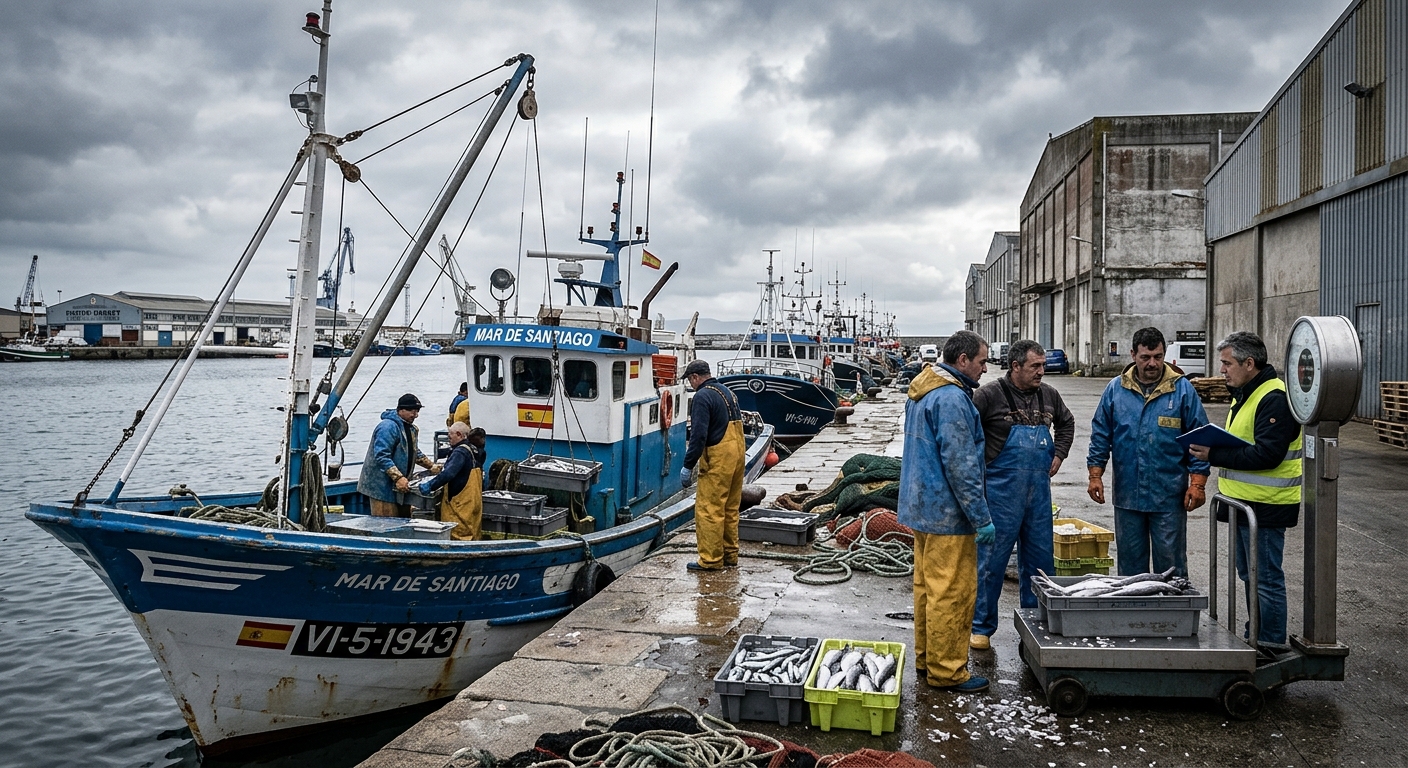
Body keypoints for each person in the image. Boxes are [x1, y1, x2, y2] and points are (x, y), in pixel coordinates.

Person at [897, 330, 996, 693]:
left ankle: (927, 658)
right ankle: (948, 670)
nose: (986, 369)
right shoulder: (952, 399)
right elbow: (962, 465)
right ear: (963, 360)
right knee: (951, 593)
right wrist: (980, 517)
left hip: (920, 508)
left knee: (926, 588)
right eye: (982, 362)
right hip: (947, 513)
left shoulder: (921, 392)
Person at [1188, 332, 1301, 647]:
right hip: (1244, 505)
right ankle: (1258, 637)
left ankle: (1271, 644)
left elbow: (1268, 454)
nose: (1222, 370)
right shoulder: (1247, 394)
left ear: (1249, 363)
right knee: (1251, 576)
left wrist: (1215, 455)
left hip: (1266, 506)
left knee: (1265, 579)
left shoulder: (1273, 397)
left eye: (1227, 363)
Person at [969, 339, 1075, 650]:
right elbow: (968, 434)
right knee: (991, 564)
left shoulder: (1050, 395)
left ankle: (1036, 624)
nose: (1042, 371)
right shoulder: (988, 395)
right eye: (1035, 366)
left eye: (1043, 365)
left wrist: (1059, 454)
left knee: (1041, 563)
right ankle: (981, 628)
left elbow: (1067, 424)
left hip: (1038, 496)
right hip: (999, 496)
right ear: (1015, 367)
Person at [1087, 327, 1210, 577]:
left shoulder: (1182, 390)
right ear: (1133, 354)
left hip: (1169, 496)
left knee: (1171, 566)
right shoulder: (1115, 389)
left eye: (1158, 356)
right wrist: (1095, 474)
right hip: (1128, 494)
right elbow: (1101, 434)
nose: (1152, 363)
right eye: (1145, 357)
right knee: (1131, 567)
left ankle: (1174, 615)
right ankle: (1133, 614)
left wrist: (1197, 484)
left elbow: (1200, 439)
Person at [679, 359, 745, 572]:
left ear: (695, 377)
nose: (691, 385)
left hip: (718, 458)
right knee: (730, 508)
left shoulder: (702, 396)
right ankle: (730, 554)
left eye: (690, 380)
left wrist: (688, 465)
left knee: (710, 509)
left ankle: (710, 560)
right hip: (738, 455)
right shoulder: (728, 392)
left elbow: (698, 435)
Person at [358, 393, 437, 518]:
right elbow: (381, 456)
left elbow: (414, 451)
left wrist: (431, 466)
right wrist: (398, 477)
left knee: (404, 520)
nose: (415, 415)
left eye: (417, 411)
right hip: (382, 488)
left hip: (401, 487)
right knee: (386, 525)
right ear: (401, 410)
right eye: (412, 411)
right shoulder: (387, 427)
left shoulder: (410, 428)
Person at [420, 424, 488, 541]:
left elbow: (449, 474)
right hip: (474, 502)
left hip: (459, 505)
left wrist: (430, 485)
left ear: (459, 435)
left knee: (458, 534)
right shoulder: (475, 450)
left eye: (450, 435)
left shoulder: (460, 452)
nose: (448, 438)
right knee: (473, 533)